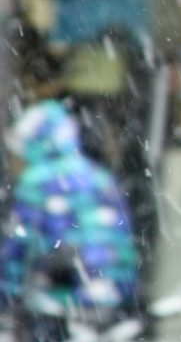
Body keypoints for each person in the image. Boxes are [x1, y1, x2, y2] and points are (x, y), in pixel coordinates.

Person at [2, 101, 140, 321]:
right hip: (105, 296)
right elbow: (124, 243)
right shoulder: (101, 178)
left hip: (56, 300)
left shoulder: (37, 181)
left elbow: (19, 248)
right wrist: (122, 288)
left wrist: (7, 298)